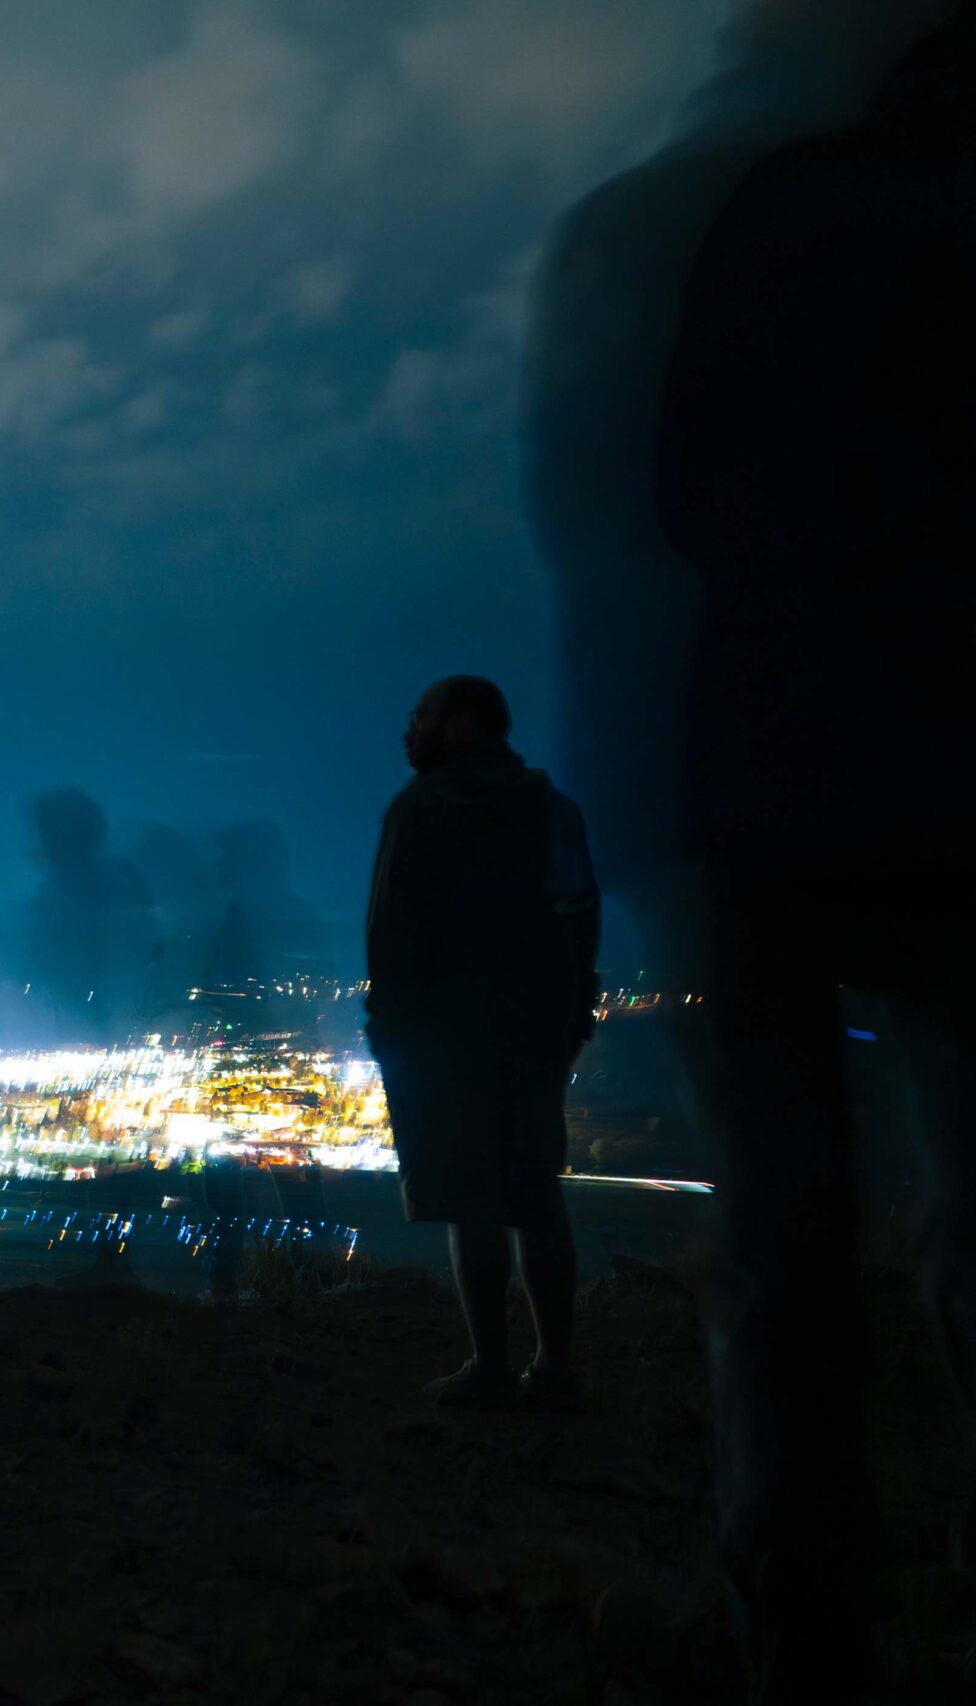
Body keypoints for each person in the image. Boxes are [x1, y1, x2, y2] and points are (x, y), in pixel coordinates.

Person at [612, 10, 975, 1694]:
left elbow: (675, 494)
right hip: (941, 786)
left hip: (773, 778)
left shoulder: (763, 213)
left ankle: (798, 1606)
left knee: (785, 1235)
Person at [364, 676, 599, 1410]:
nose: (410, 732)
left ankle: (490, 1366)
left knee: (472, 1200)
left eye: (423, 717)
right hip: (534, 1029)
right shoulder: (553, 808)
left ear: (461, 724)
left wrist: (390, 1028)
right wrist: (573, 1011)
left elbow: (392, 932)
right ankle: (554, 1366)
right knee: (536, 1193)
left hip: (444, 1038)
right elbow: (580, 912)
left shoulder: (420, 810)